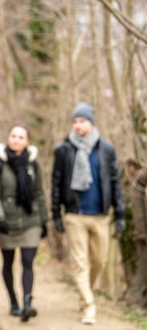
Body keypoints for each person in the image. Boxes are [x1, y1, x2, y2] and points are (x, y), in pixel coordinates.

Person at [51, 102, 126, 325]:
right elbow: (56, 183)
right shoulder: (63, 150)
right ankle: (89, 306)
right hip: (75, 216)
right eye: (74, 121)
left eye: (82, 121)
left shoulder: (106, 149)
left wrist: (120, 213)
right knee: (80, 263)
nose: (77, 125)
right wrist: (56, 213)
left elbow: (115, 183)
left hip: (101, 216)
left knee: (98, 262)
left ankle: (85, 295)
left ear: (91, 123)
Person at [0, 125, 47, 322]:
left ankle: (27, 303)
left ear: (27, 141)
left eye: (21, 137)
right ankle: (13, 301)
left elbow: (39, 193)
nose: (16, 140)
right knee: (8, 263)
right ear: (8, 138)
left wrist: (43, 221)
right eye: (13, 136)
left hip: (30, 221)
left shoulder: (33, 165)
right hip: (7, 222)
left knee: (28, 262)